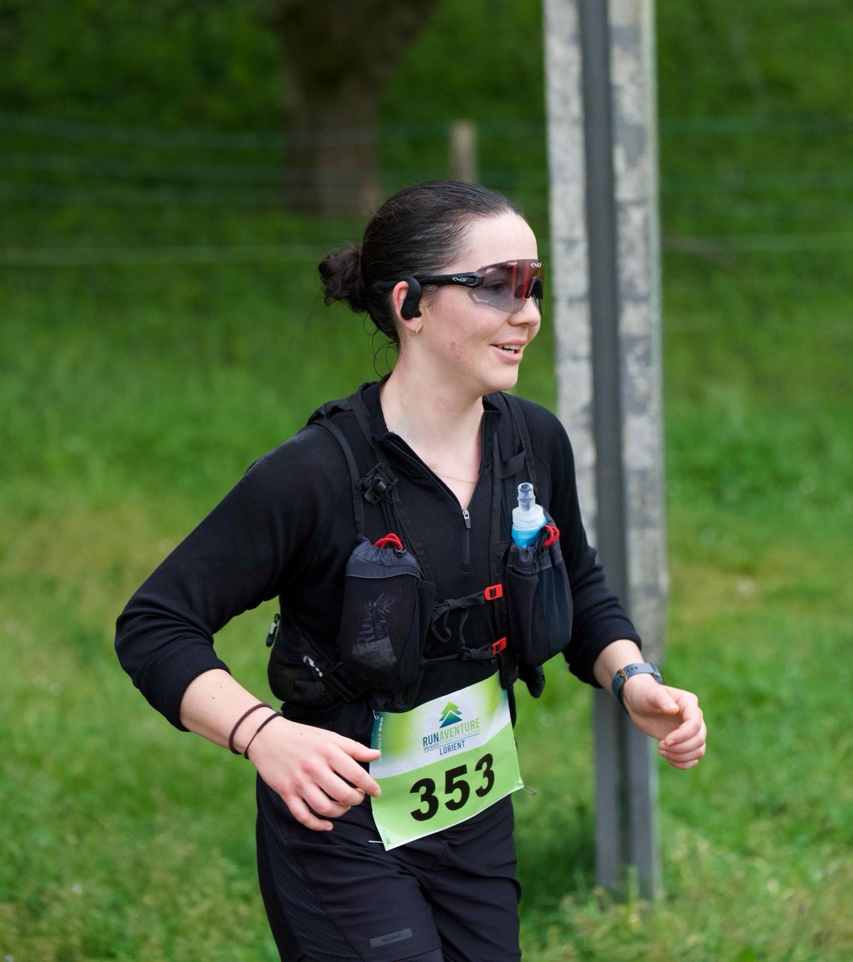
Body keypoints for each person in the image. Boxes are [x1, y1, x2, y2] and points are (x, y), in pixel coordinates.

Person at [116, 180, 706, 962]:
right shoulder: (313, 475)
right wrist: (262, 736)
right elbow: (155, 625)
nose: (527, 313)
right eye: (496, 285)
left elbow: (579, 584)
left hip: (472, 818)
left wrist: (634, 679)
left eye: (533, 285)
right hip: (340, 826)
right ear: (410, 305)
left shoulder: (532, 443)